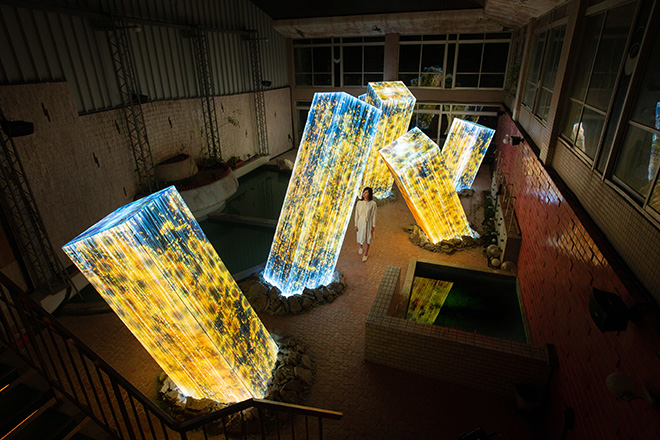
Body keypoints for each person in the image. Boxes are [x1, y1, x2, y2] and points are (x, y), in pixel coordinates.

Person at [354, 187, 377, 262]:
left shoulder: (373, 204)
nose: (364, 194)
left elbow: (374, 215)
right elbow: (356, 214)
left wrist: (373, 225)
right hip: (360, 222)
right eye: (364, 192)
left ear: (369, 194)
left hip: (368, 223)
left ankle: (365, 254)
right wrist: (356, 224)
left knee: (368, 238)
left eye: (366, 192)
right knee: (360, 236)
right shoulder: (359, 203)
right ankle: (361, 247)